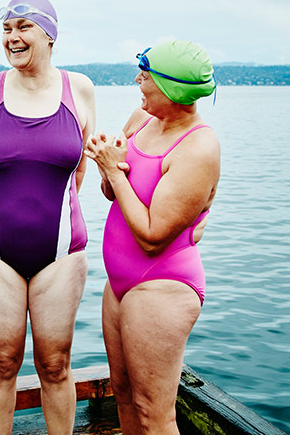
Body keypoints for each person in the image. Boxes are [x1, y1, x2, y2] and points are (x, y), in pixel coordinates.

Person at [0, 0, 96, 434]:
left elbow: (76, 171)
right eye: (6, 29)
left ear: (49, 35)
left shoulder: (79, 89)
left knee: (56, 362)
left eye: (23, 28)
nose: (13, 38)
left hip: (61, 249)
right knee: (1, 360)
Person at [84, 40, 220, 434]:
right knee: (123, 396)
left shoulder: (199, 147)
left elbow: (151, 236)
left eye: (145, 78)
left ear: (173, 89)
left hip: (162, 286)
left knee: (154, 414)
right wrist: (106, 165)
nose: (138, 83)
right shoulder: (141, 120)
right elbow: (115, 194)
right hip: (120, 284)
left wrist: (113, 170)